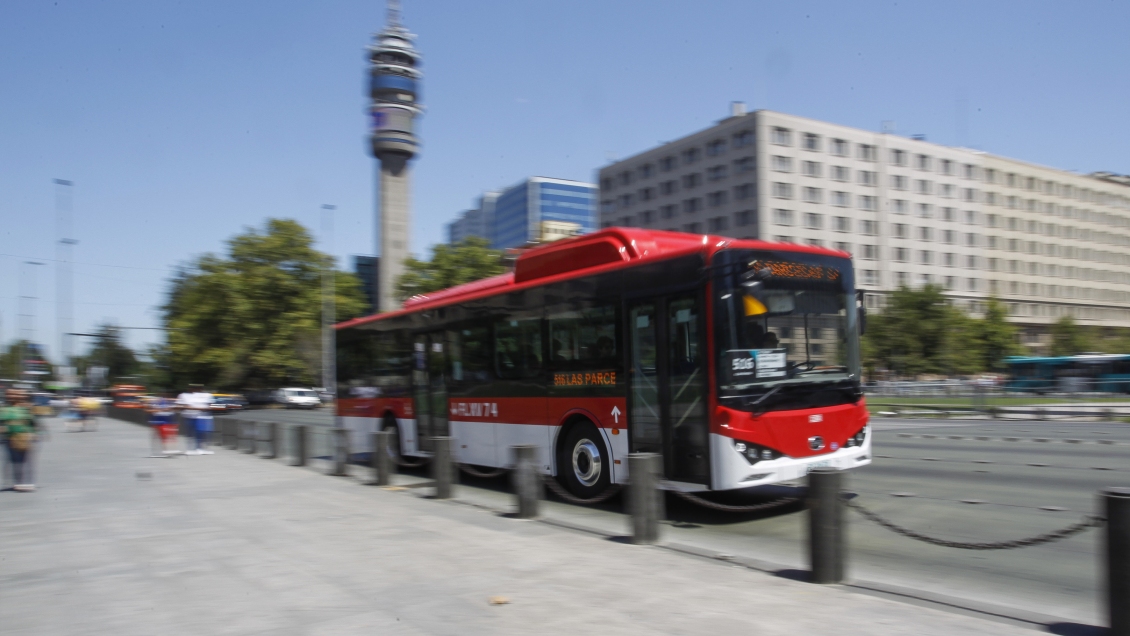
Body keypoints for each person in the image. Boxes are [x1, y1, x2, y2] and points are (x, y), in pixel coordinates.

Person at [1, 390, 39, 492]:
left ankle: (25, 482)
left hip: (22, 437)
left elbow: (32, 423)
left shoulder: (24, 409)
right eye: (10, 395)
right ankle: (20, 482)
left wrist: (35, 433)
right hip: (13, 438)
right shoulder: (5, 410)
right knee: (17, 461)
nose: (12, 397)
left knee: (23, 460)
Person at [177, 384, 214, 455]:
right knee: (190, 433)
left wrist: (205, 408)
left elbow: (209, 406)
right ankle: (190, 449)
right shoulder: (183, 395)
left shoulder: (207, 395)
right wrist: (200, 408)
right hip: (189, 417)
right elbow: (183, 406)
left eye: (198, 388)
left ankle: (199, 448)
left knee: (201, 433)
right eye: (194, 388)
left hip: (202, 417)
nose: (196, 389)